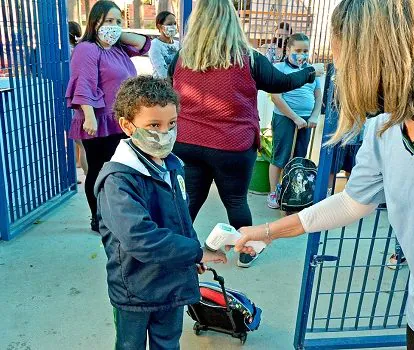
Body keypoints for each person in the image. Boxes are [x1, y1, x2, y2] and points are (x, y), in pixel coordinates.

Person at [235, 0, 414, 349]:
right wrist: (269, 231)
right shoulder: (386, 121)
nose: (344, 75)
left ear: (389, 59)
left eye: (351, 64)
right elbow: (353, 202)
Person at [167, 0, 324, 268]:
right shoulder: (248, 58)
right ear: (232, 21)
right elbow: (282, 82)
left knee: (189, 201)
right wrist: (311, 72)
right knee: (236, 200)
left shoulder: (182, 57)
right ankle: (245, 251)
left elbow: (172, 89)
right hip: (232, 145)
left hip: (187, 142)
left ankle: (177, 255)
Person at [94, 76, 227, 350]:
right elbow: (140, 238)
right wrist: (195, 252)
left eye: (172, 124)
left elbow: (181, 219)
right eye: (154, 125)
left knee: (168, 343)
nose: (164, 133)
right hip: (135, 288)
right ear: (127, 126)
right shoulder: (118, 180)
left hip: (172, 282)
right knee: (130, 345)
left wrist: (191, 254)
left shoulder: (172, 165)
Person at [65, 0, 150, 232]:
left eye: (118, 21)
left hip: (118, 121)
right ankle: (98, 218)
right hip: (98, 121)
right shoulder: (87, 49)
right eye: (108, 21)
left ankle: (114, 214)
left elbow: (143, 44)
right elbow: (84, 82)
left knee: (116, 172)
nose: (114, 26)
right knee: (98, 170)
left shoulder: (117, 49)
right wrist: (89, 116)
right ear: (95, 22)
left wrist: (117, 33)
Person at [267, 33, 322, 209]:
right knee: (280, 157)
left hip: (306, 120)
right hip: (285, 118)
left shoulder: (312, 71)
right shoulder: (280, 68)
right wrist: (294, 117)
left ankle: (293, 191)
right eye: (297, 50)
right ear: (288, 49)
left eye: (305, 51)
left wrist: (313, 116)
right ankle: (274, 193)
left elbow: (318, 96)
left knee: (299, 157)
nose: (302, 54)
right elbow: (276, 97)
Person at [68, 21, 88, 183]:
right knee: (82, 144)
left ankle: (74, 173)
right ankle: (90, 179)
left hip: (72, 101)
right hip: (80, 103)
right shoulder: (80, 51)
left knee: (79, 141)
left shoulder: (61, 53)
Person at [148, 11, 180, 78]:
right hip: (162, 86)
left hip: (177, 84)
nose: (173, 26)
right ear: (160, 26)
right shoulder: (154, 45)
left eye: (174, 23)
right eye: (169, 24)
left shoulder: (178, 44)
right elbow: (163, 73)